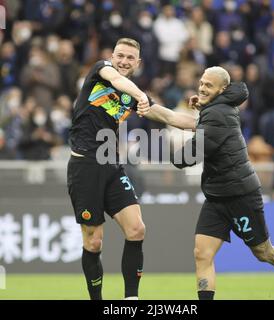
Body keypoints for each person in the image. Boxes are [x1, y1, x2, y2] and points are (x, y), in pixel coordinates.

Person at [139, 66, 274, 300]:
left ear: (222, 90)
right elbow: (173, 117)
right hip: (216, 197)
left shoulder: (217, 115)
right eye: (202, 83)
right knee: (202, 254)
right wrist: (143, 105)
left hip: (240, 196)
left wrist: (169, 149)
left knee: (264, 253)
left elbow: (186, 158)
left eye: (209, 85)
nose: (202, 88)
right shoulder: (215, 109)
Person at [67, 38, 196, 300]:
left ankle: (131, 300)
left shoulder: (133, 95)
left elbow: (170, 117)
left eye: (130, 58)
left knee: (137, 229)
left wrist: (209, 121)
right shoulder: (101, 71)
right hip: (84, 167)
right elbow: (118, 82)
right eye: (120, 56)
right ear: (111, 56)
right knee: (93, 241)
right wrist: (140, 96)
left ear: (138, 63)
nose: (124, 61)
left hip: (111, 165)